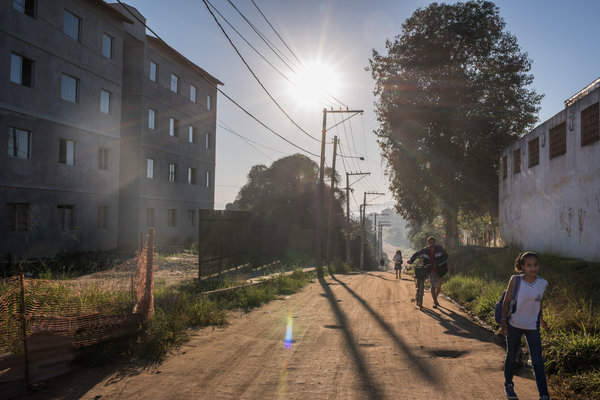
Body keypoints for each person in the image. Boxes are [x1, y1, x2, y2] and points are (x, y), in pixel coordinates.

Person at [500, 251, 550, 400]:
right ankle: (508, 385)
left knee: (537, 361)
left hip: (532, 326)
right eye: (529, 265)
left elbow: (538, 303)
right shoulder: (515, 280)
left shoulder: (543, 283)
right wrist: (503, 321)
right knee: (512, 355)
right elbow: (506, 302)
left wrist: (541, 320)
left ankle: (544, 394)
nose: (533, 268)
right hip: (514, 324)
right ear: (522, 266)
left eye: (535, 265)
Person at [407, 236, 447, 308]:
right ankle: (435, 301)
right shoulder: (425, 250)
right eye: (430, 242)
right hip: (430, 270)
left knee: (438, 286)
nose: (432, 244)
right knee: (433, 286)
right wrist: (411, 260)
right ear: (429, 243)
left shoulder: (439, 249)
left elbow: (445, 256)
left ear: (435, 242)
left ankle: (436, 298)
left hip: (440, 270)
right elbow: (417, 254)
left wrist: (437, 262)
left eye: (433, 242)